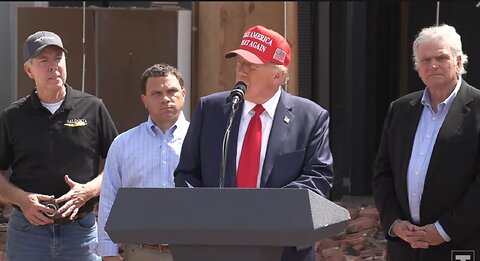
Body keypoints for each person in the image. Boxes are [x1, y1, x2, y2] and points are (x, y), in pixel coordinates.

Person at [174, 25, 334, 261]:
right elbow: (187, 172)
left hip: (283, 249)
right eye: (239, 62)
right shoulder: (211, 110)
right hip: (217, 247)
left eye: (252, 65)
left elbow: (318, 178)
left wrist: (262, 211)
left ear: (278, 75)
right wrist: (203, 212)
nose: (241, 70)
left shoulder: (310, 117)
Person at [0, 31, 118, 260]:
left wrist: (88, 191)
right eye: (43, 61)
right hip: (27, 233)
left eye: (58, 59)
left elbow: (118, 164)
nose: (53, 66)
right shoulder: (12, 116)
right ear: (28, 70)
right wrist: (21, 200)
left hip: (81, 231)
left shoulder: (93, 108)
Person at [373, 24, 480, 261]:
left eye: (441, 57)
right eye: (425, 60)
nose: (432, 65)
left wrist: (443, 230)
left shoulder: (477, 108)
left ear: (459, 61)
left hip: (460, 245)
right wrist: (394, 223)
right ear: (418, 68)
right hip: (405, 247)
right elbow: (383, 173)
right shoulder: (400, 110)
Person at [92, 63, 189, 261]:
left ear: (183, 94)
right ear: (144, 100)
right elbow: (110, 198)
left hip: (191, 251)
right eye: (156, 93)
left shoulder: (202, 140)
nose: (166, 98)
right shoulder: (123, 144)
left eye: (172, 91)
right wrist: (108, 252)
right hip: (140, 251)